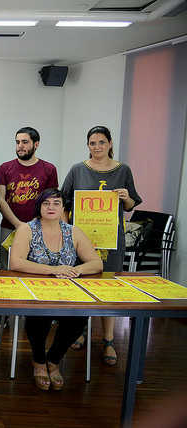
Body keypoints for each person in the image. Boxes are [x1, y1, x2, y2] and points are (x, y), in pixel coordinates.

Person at [61, 125, 142, 366]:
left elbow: (130, 205)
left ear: (110, 143)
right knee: (81, 283)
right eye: (92, 143)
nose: (97, 147)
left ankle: (108, 339)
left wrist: (125, 197)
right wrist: (67, 232)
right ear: (88, 145)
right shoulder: (77, 170)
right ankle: (80, 331)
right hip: (81, 239)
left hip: (111, 239)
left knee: (109, 286)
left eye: (101, 142)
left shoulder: (123, 169)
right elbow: (64, 201)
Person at [10, 188, 103, 391]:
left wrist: (75, 270)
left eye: (56, 203)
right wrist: (54, 270)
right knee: (40, 317)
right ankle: (38, 361)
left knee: (79, 318)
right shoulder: (27, 229)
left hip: (67, 294)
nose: (51, 207)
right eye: (46, 203)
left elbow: (97, 263)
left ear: (63, 208)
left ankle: (53, 360)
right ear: (39, 207)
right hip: (35, 293)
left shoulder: (73, 231)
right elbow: (15, 263)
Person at [0, 126, 58, 328]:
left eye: (25, 142)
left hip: (38, 228)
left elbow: (51, 201)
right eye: (17, 142)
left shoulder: (49, 169)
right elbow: (0, 199)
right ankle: (4, 312)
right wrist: (18, 224)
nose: (20, 146)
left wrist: (33, 226)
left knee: (37, 268)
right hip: (9, 227)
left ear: (36, 144)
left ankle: (36, 311)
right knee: (7, 269)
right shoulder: (5, 168)